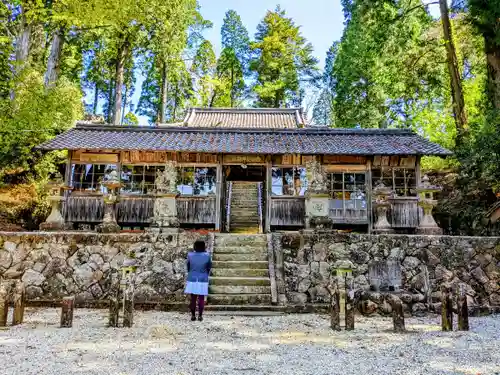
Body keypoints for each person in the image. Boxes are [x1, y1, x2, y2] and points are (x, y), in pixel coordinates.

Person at [184, 240, 212, 321]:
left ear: (194, 246)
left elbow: (188, 267)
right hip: (203, 278)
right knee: (201, 298)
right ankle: (200, 316)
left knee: (193, 298)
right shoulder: (207, 255)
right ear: (204, 247)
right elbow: (209, 267)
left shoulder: (190, 255)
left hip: (192, 278)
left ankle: (193, 315)